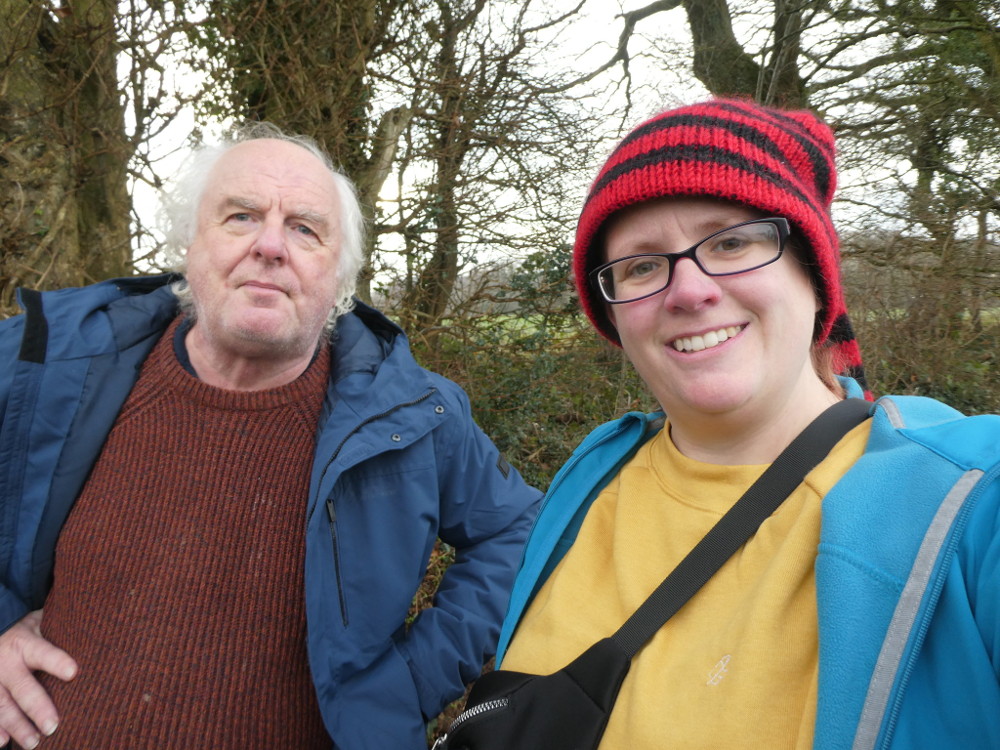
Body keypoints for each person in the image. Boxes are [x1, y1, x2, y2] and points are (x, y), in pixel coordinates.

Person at [0, 124, 541, 749]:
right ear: (190, 244)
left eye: (306, 228)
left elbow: (519, 532)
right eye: (241, 216)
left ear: (340, 275)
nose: (271, 246)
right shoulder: (52, 363)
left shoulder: (416, 415)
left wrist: (406, 683)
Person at [495, 99, 1000, 748]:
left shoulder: (966, 498)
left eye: (731, 242)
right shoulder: (593, 471)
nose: (688, 290)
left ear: (813, 277)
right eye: (643, 265)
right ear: (614, 315)